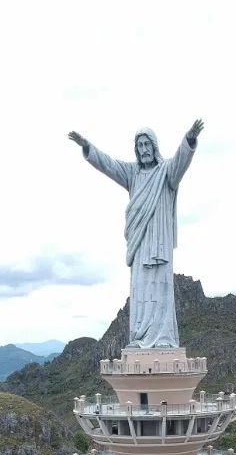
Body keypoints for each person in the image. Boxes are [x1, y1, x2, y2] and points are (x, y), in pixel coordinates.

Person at [68, 120, 204, 348]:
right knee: (141, 289)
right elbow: (108, 164)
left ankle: (163, 338)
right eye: (139, 145)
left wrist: (189, 139)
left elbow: (181, 160)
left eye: (146, 144)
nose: (143, 149)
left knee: (160, 288)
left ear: (154, 146)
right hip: (140, 243)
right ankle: (141, 336)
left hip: (160, 243)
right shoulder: (132, 173)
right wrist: (87, 147)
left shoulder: (166, 172)